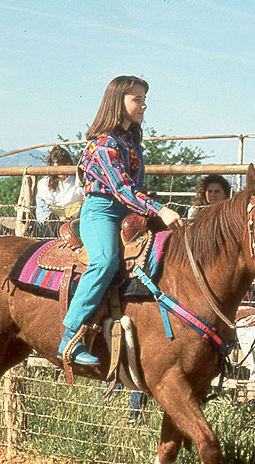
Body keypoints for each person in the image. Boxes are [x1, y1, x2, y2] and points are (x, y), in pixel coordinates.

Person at [58, 75, 183, 365]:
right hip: (100, 210)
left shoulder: (131, 142)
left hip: (130, 212)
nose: (143, 106)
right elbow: (122, 189)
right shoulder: (103, 145)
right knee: (105, 260)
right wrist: (160, 210)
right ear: (118, 102)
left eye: (143, 99)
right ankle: (70, 334)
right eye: (136, 99)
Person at [36, 145, 84, 236]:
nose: (62, 169)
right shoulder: (43, 184)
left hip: (75, 223)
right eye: (59, 165)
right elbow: (43, 211)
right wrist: (58, 218)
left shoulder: (79, 181)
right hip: (51, 227)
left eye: (65, 165)